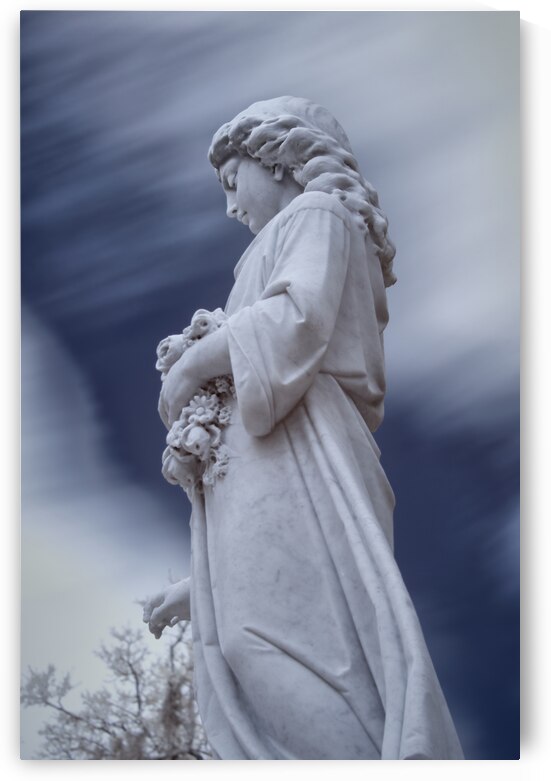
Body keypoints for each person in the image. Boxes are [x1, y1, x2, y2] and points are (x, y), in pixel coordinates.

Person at [143, 97, 463, 760]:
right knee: (247, 639)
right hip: (273, 456)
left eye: (233, 183)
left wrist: (189, 368)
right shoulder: (275, 244)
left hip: (302, 444)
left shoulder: (317, 215)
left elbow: (295, 321)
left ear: (280, 158)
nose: (230, 207)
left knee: (274, 641)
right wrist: (199, 586)